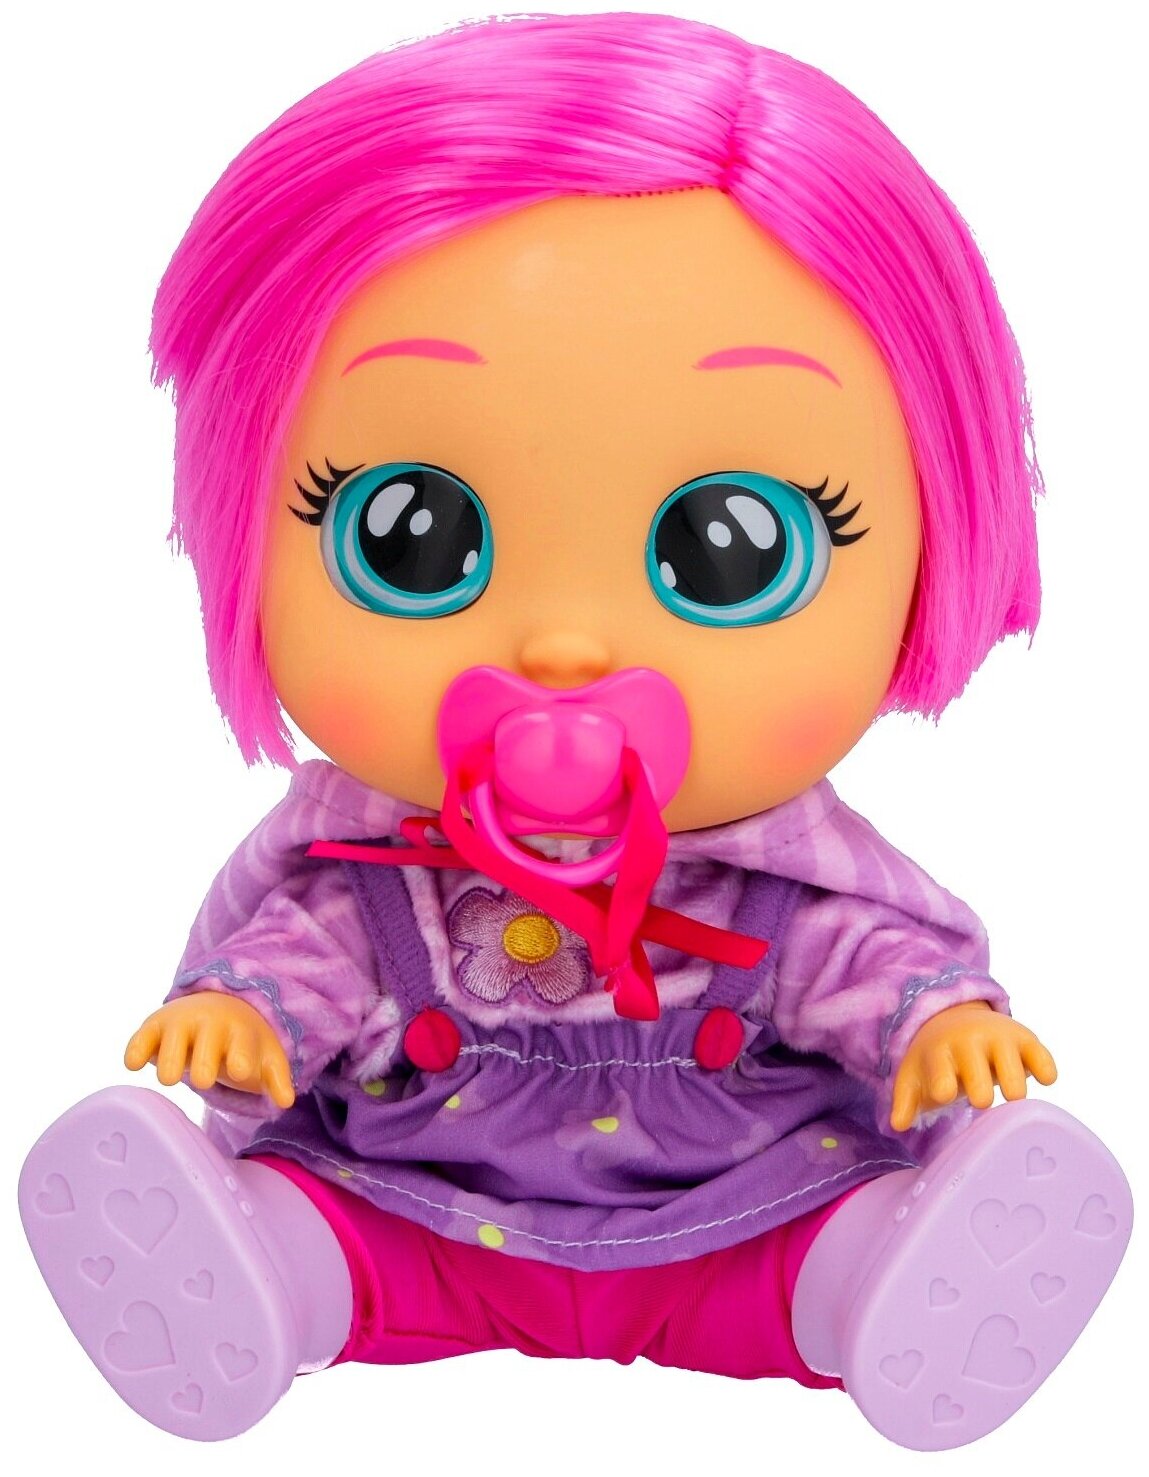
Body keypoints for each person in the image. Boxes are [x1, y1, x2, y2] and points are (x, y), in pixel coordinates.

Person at [18, 12, 1131, 1451]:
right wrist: (239, 1017)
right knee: (326, 1228)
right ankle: (271, 1281)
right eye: (411, 538)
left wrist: (941, 1029)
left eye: (729, 552)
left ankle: (875, 1289)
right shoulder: (370, 871)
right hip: (415, 1203)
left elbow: (856, 961)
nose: (563, 647)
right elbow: (313, 960)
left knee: (825, 1240)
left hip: (737, 1207)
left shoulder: (787, 888)